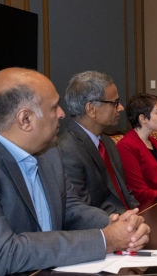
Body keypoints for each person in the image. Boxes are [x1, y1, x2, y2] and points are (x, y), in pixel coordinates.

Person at [0, 68, 149, 275]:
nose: (62, 114)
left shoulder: (48, 152)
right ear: (25, 119)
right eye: (53, 108)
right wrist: (106, 240)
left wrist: (122, 226)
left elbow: (70, 209)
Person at [58, 71, 139, 214]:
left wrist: (140, 212)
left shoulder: (107, 142)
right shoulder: (66, 150)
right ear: (91, 109)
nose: (121, 107)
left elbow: (123, 191)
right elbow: (82, 210)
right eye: (115, 103)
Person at [117, 93, 157, 205]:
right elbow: (139, 193)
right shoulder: (126, 146)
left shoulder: (154, 142)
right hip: (147, 207)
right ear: (142, 118)